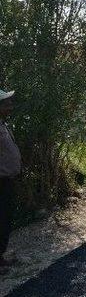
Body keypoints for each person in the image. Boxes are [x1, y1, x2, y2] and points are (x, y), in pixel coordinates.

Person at [0, 89, 21, 274]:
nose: (10, 106)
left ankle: (0, 257)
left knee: (5, 220)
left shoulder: (3, 124)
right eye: (6, 104)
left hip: (7, 181)